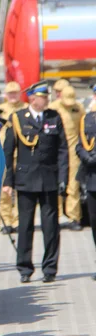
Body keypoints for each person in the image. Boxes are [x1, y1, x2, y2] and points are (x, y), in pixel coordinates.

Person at [3, 81, 68, 283]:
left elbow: (62, 150)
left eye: (47, 96)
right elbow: (8, 152)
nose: (46, 99)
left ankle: (50, 268)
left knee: (51, 227)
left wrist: (63, 178)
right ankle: (24, 267)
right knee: (25, 226)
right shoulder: (18, 118)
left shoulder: (54, 117)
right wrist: (8, 182)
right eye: (43, 96)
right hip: (26, 179)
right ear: (32, 98)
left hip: (49, 179)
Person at [49, 85, 85, 230]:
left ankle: (74, 217)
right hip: (57, 151)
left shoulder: (79, 107)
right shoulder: (53, 108)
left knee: (73, 184)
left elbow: (83, 127)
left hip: (74, 150)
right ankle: (56, 217)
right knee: (56, 183)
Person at [0, 81, 27, 233]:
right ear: (6, 95)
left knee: (20, 190)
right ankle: (7, 221)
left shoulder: (25, 109)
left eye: (15, 93)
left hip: (22, 155)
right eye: (10, 93)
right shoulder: (1, 110)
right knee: (5, 190)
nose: (13, 96)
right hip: (4, 155)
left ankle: (18, 220)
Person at [76, 108, 96, 279]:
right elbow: (79, 144)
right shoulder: (87, 118)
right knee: (94, 222)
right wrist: (86, 156)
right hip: (92, 178)